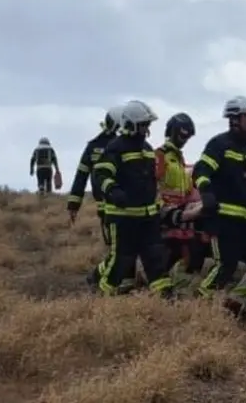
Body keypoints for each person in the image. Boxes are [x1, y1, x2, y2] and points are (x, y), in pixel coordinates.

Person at [190, 96, 246, 320]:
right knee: (226, 266)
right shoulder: (219, 145)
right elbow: (201, 171)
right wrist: (206, 193)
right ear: (234, 119)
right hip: (224, 219)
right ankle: (199, 305)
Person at [92, 100, 175, 298]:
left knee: (155, 259)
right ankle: (101, 298)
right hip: (123, 218)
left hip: (147, 218)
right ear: (130, 124)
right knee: (121, 262)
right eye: (144, 124)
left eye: (148, 124)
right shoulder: (116, 148)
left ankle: (164, 298)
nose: (147, 129)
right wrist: (112, 190)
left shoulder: (146, 148)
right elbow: (101, 174)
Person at [68, 106, 137, 291]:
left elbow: (80, 176)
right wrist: (73, 203)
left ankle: (126, 281)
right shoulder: (113, 146)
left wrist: (73, 204)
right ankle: (100, 279)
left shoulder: (115, 144)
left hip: (127, 204)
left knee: (126, 245)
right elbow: (81, 175)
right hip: (109, 206)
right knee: (118, 247)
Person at [156, 113, 203, 289]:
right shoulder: (160, 156)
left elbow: (185, 189)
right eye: (183, 135)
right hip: (165, 214)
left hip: (180, 214)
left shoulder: (179, 159)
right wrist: (164, 210)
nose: (185, 140)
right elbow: (151, 187)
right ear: (173, 132)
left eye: (188, 136)